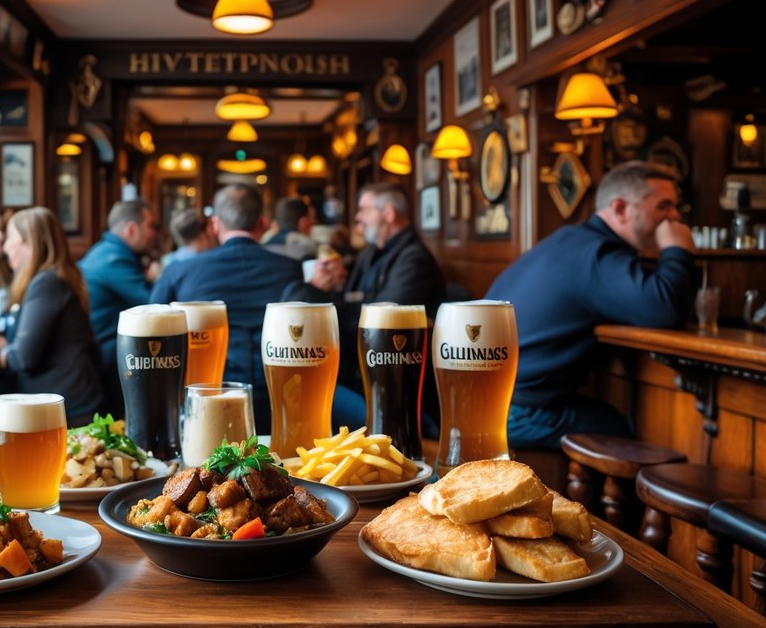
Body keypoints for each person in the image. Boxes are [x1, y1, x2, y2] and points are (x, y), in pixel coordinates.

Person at [486, 160, 698, 448]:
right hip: (518, 413)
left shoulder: (571, 241)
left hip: (489, 403)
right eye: (663, 206)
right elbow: (664, 307)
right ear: (621, 208)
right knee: (626, 433)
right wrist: (677, 250)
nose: (675, 218)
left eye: (675, 207)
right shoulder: (598, 255)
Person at [286, 182, 447, 431]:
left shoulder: (414, 260)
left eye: (364, 209)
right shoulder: (371, 253)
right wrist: (332, 285)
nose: (358, 217)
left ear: (389, 213)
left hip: (395, 392)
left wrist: (316, 297)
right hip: (362, 376)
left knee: (309, 393)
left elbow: (379, 324)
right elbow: (355, 302)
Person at [150, 183, 302, 432]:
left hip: (207, 404)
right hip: (280, 403)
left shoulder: (181, 272)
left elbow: (151, 322)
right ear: (263, 224)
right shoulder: (291, 269)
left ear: (214, 224)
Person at [0, 208, 104, 424]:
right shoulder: (54, 280)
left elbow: (24, 358)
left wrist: (2, 351)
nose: (5, 246)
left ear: (28, 243)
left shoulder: (46, 283)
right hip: (64, 403)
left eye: (10, 238)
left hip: (67, 411)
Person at [79, 198, 161, 366]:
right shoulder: (114, 259)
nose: (155, 234)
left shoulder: (105, 251)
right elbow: (153, 305)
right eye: (151, 226)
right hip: (103, 355)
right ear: (131, 229)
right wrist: (160, 278)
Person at [264, 196, 318, 261]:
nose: (313, 223)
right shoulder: (308, 247)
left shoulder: (264, 247)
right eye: (311, 221)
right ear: (303, 222)